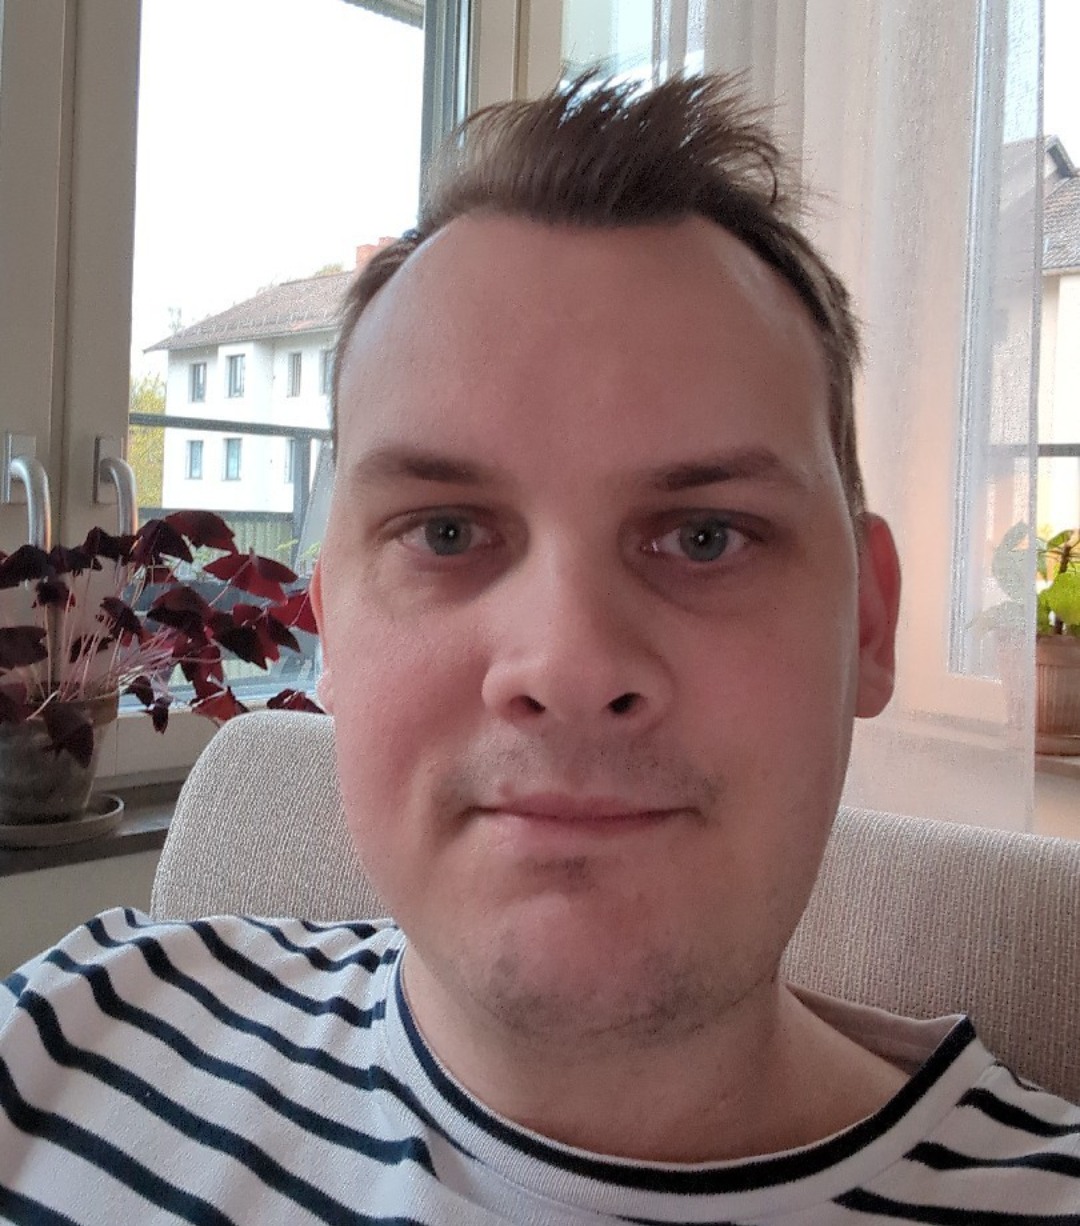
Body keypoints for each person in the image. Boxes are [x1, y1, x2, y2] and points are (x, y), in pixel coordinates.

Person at [1, 73, 1077, 1224]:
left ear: (867, 622)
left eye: (706, 536)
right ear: (329, 631)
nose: (566, 666)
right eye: (446, 532)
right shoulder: (69, 1027)